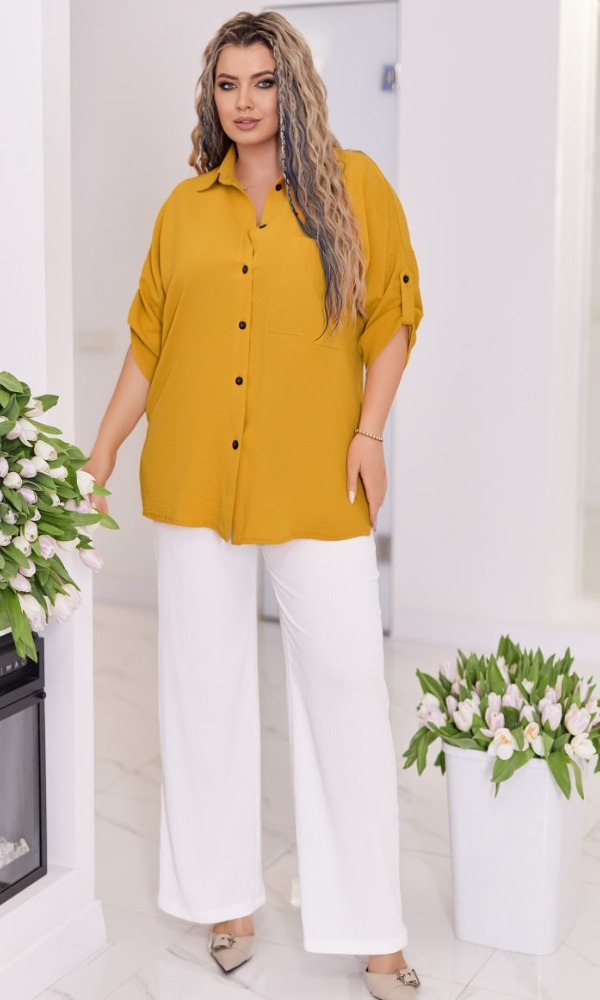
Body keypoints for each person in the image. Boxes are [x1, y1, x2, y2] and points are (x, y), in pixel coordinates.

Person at [84, 11, 424, 999]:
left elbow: (393, 314)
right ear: (212, 95)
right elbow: (150, 343)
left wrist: (369, 432)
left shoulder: (354, 187)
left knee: (347, 690)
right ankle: (224, 899)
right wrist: (102, 449)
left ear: (293, 89)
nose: (244, 101)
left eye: (262, 82)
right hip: (195, 476)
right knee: (202, 689)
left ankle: (375, 929)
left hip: (315, 477)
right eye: (227, 83)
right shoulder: (184, 210)